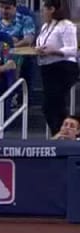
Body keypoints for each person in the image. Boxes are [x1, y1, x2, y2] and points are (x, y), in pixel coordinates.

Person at [35, 0, 77, 135]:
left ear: (51, 9)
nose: (41, 13)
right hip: (47, 68)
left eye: (43, 10)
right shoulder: (45, 27)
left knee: (54, 105)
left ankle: (63, 135)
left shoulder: (66, 25)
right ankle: (59, 134)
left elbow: (73, 50)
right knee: (49, 106)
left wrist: (54, 51)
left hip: (62, 67)